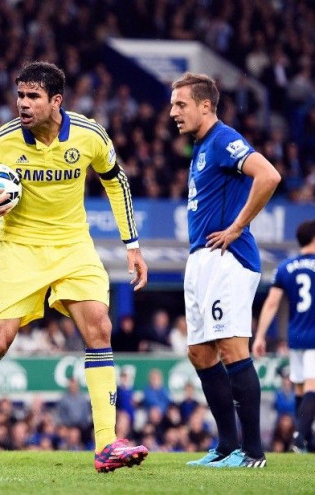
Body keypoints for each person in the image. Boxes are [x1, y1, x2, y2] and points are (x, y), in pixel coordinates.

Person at [0, 61, 149, 475]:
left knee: (99, 326)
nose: (23, 104)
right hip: (19, 246)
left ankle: (106, 443)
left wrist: (131, 245)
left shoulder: (90, 135)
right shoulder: (1, 141)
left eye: (32, 97)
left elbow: (116, 181)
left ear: (55, 101)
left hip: (73, 244)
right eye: (20, 96)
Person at [170, 72, 281, 468]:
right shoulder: (202, 147)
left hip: (227, 259)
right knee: (200, 352)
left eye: (180, 104)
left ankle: (253, 452)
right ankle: (226, 446)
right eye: (172, 105)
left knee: (233, 349)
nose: (173, 113)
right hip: (200, 258)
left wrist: (237, 227)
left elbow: (268, 175)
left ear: (205, 105)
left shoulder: (222, 139)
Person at [253, 219, 315, 453]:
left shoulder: (285, 267)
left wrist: (259, 336)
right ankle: (300, 439)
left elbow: (271, 304)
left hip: (296, 337)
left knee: (300, 388)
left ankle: (307, 439)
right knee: (311, 388)